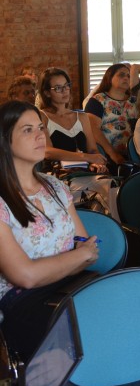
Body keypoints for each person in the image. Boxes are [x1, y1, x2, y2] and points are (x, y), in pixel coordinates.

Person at [0, 101, 98, 362]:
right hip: (22, 302)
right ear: (5, 141)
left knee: (117, 306)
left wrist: (74, 258)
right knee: (92, 334)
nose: (40, 135)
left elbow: (89, 251)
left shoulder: (54, 186)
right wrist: (77, 257)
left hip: (68, 285)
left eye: (41, 128)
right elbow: (25, 277)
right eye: (27, 130)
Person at [39, 68, 107, 171]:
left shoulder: (82, 117)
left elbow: (93, 150)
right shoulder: (42, 116)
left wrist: (96, 163)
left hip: (85, 172)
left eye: (66, 86)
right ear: (47, 93)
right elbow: (47, 152)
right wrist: (86, 157)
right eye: (58, 88)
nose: (64, 91)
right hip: (57, 174)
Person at [84, 63, 137, 165]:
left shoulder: (134, 101)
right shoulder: (98, 100)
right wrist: (112, 154)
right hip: (107, 155)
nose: (126, 78)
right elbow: (93, 129)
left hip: (134, 154)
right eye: (121, 75)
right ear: (109, 77)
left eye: (128, 76)